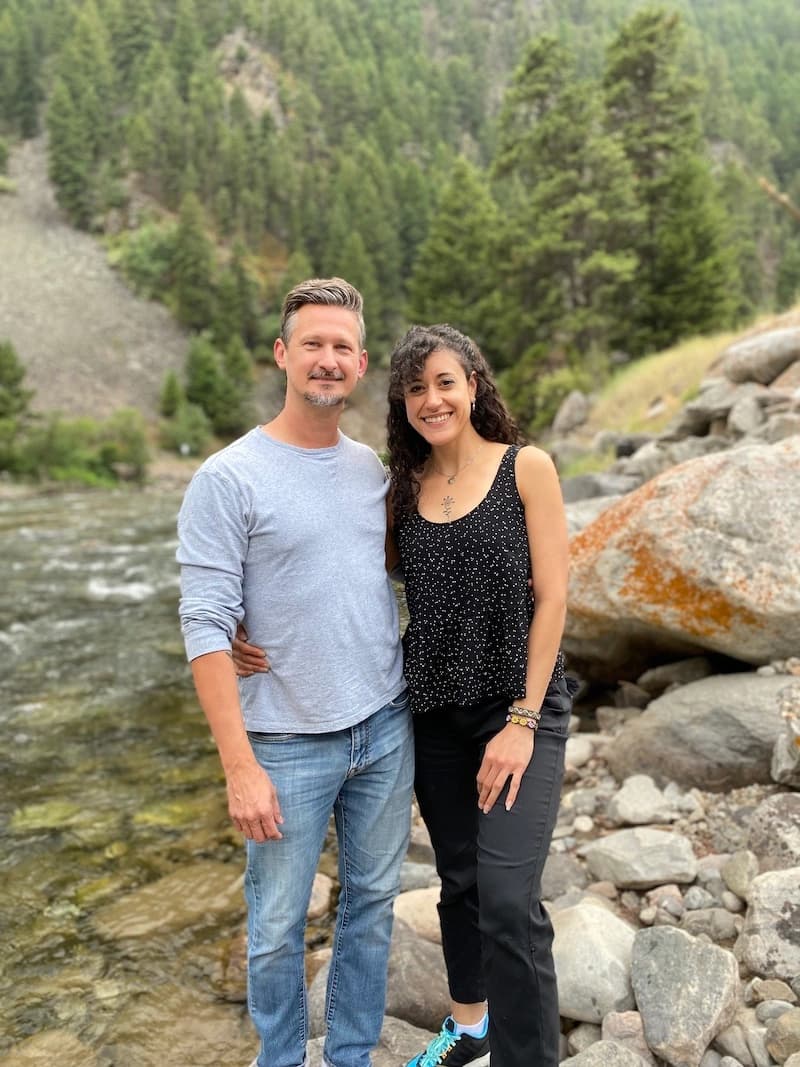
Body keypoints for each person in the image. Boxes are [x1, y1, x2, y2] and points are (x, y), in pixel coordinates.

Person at [235, 322, 575, 1067]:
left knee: (509, 899)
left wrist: (522, 718)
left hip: (517, 708)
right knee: (458, 880)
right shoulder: (401, 488)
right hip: (433, 712)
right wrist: (241, 622)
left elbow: (553, 599)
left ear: (474, 385)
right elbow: (332, 569)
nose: (432, 398)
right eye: (415, 388)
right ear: (401, 402)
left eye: (445, 382)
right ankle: (472, 1027)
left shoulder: (528, 468)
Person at [177, 277, 413, 1067]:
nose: (328, 358)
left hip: (384, 727)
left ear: (361, 363)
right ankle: (279, 1058)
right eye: (312, 342)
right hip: (282, 742)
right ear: (283, 354)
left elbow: (380, 571)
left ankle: (348, 1056)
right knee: (275, 926)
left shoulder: (371, 468)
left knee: (373, 905)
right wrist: (238, 765)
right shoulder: (227, 477)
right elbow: (204, 622)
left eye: (342, 346)